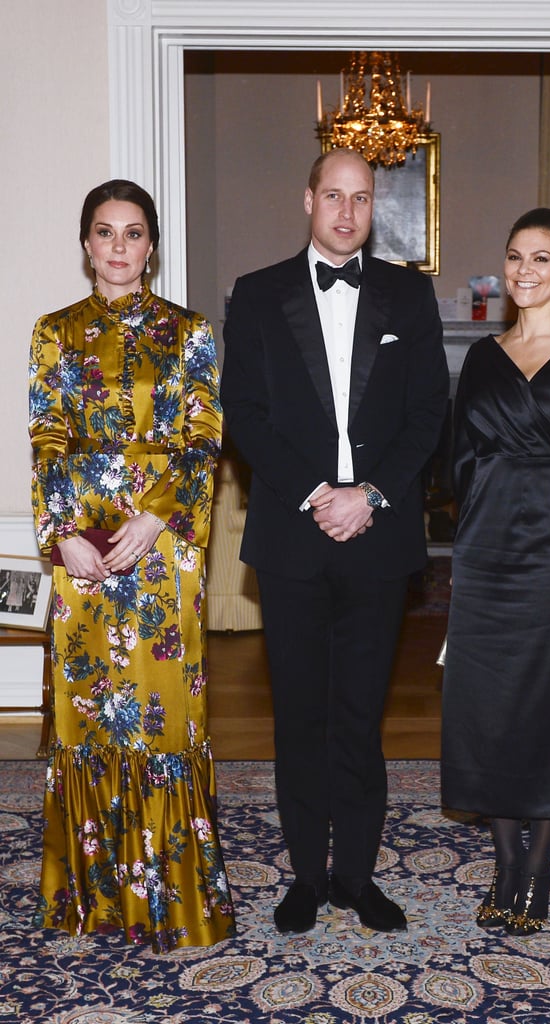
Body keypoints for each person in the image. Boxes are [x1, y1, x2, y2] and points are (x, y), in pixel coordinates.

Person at [220, 148, 448, 935]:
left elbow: (428, 414)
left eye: (360, 198)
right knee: (299, 717)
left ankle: (356, 875)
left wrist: (370, 495)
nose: (346, 212)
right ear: (306, 198)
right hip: (291, 534)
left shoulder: (406, 294)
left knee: (359, 715)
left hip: (378, 540)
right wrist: (320, 493)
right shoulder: (256, 296)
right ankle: (305, 880)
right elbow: (243, 413)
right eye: (333, 196)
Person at [28, 179, 235, 952]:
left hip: (163, 550)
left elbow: (203, 439)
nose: (119, 246)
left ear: (152, 246)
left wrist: (157, 518)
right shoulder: (52, 332)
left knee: (164, 716)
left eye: (134, 233)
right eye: (106, 232)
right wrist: (61, 534)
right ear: (87, 244)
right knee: (87, 718)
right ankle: (97, 896)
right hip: (82, 550)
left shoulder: (191, 333)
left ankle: (174, 896)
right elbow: (46, 437)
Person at [441, 208, 550, 934]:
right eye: (514, 257)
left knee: (547, 704)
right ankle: (505, 861)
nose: (524, 271)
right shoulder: (482, 355)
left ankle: (539, 865)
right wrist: (460, 553)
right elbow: (459, 460)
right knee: (484, 710)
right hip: (483, 549)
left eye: (541, 258)